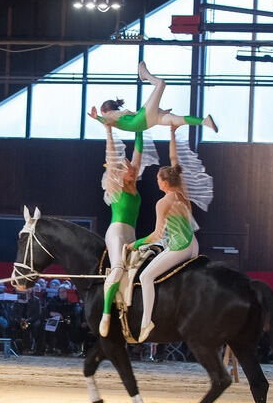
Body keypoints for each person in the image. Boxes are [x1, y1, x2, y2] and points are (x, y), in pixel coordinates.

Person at [127, 125, 213, 342]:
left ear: (164, 183)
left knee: (146, 276)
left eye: (157, 179)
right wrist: (172, 134)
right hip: (193, 243)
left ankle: (147, 321)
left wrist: (135, 244)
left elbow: (156, 235)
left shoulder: (163, 202)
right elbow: (175, 161)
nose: (156, 182)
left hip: (180, 246)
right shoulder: (183, 191)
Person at [91, 119, 145, 338]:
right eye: (127, 167)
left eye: (131, 166)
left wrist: (142, 124)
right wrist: (108, 130)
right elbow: (111, 156)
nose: (131, 168)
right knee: (118, 269)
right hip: (116, 232)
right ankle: (106, 314)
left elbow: (139, 151)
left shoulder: (135, 183)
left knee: (136, 272)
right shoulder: (115, 185)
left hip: (132, 233)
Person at [90, 61, 218, 137]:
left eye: (102, 113)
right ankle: (145, 75)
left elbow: (110, 119)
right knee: (161, 83)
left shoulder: (114, 116)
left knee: (177, 119)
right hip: (145, 120)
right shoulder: (112, 117)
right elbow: (106, 121)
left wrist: (98, 118)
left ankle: (204, 122)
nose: (104, 116)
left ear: (107, 110)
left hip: (146, 121)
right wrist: (97, 118)